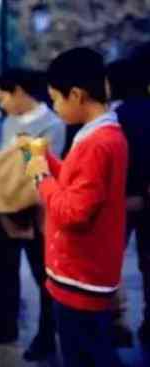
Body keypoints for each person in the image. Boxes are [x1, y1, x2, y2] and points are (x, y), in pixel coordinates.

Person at [26, 47, 128, 367]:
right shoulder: (98, 135)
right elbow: (78, 184)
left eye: (55, 100)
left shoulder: (98, 143)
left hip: (81, 278)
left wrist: (42, 176)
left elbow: (73, 212)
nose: (54, 108)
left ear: (77, 95)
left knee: (84, 354)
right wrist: (50, 162)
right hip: (84, 272)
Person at [0, 68, 65, 361]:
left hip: (38, 214)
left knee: (43, 276)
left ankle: (45, 336)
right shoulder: (9, 123)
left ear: (18, 91)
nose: (2, 103)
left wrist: (19, 160)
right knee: (5, 271)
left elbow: (40, 169)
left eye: (3, 96)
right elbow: (3, 166)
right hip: (6, 209)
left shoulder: (53, 126)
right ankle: (6, 327)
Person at [107, 56, 150, 346]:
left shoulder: (115, 118)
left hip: (121, 200)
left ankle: (116, 323)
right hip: (147, 198)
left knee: (110, 263)